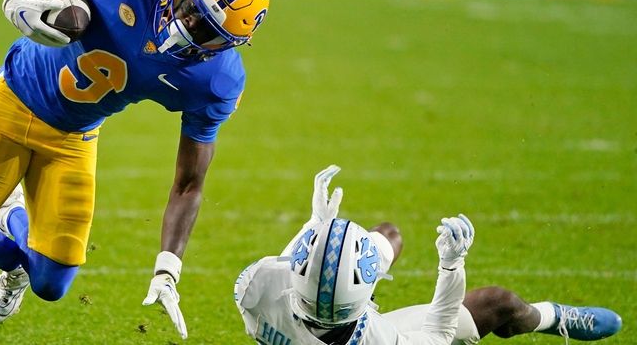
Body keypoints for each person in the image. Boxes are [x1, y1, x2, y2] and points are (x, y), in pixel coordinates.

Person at [0, 0, 270, 340]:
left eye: (208, 32)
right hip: (15, 98)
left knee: (51, 284)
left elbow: (189, 182)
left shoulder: (215, 81)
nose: (188, 27)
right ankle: (11, 248)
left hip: (73, 138)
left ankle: (13, 223)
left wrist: (168, 269)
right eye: (191, 8)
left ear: (233, 45)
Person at [234, 165, 623, 344]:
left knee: (388, 236)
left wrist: (315, 224)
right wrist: (451, 265)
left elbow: (283, 267)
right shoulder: (382, 339)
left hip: (317, 319)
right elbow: (439, 330)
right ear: (366, 302)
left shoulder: (255, 289)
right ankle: (552, 318)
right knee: (498, 303)